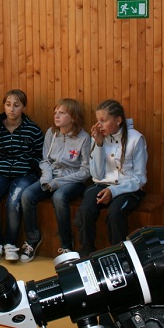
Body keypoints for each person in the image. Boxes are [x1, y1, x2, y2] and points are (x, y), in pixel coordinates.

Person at [19, 98, 90, 262]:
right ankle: (32, 239)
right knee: (27, 195)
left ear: (73, 117)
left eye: (62, 113)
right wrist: (46, 178)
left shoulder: (84, 138)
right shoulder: (51, 133)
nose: (56, 116)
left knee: (58, 197)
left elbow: (86, 171)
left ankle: (66, 246)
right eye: (55, 112)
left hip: (73, 181)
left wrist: (57, 183)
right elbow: (45, 161)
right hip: (51, 178)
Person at [75, 100, 148, 257]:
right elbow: (96, 175)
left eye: (104, 120)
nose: (99, 125)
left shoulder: (136, 139)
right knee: (86, 210)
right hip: (102, 184)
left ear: (118, 120)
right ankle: (86, 253)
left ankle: (119, 256)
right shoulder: (98, 138)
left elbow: (140, 178)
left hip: (129, 188)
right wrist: (99, 145)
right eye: (98, 120)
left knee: (115, 214)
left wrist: (113, 191)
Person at [0, 89, 44, 263]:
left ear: (24, 107)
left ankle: (10, 244)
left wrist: (30, 165)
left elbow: (41, 155)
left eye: (16, 105)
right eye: (8, 105)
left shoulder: (32, 129)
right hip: (0, 174)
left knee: (13, 202)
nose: (11, 109)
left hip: (24, 175)